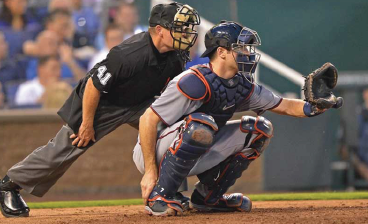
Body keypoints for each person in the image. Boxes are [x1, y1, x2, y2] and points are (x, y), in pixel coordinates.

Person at [0, 2, 200, 218]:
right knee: (64, 149)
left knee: (173, 130)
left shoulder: (177, 54)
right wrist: (87, 123)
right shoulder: (128, 54)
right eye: (179, 28)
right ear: (159, 30)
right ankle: (7, 186)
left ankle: (167, 190)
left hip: (140, 102)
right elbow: (94, 84)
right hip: (102, 102)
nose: (185, 33)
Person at [134, 21, 342, 216]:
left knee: (259, 129)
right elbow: (147, 120)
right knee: (201, 124)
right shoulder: (193, 81)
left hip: (196, 140)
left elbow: (284, 105)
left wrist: (316, 106)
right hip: (153, 151)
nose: (248, 53)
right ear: (222, 52)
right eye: (241, 48)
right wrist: (150, 171)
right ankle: (160, 195)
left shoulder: (241, 86)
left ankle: (208, 197)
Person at [341, 87, 368, 181]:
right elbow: (344, 149)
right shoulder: (356, 117)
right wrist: (364, 170)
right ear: (366, 94)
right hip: (361, 180)